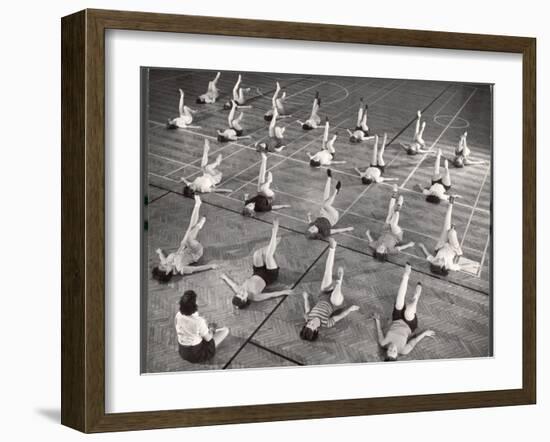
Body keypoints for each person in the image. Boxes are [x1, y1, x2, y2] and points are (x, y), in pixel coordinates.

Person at [220, 219, 294, 309]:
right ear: (245, 299)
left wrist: (224, 277)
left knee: (257, 253)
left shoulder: (239, 290)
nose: (241, 292)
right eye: (242, 295)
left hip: (257, 272)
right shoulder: (255, 297)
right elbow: (271, 295)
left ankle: (273, 244)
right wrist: (284, 292)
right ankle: (274, 233)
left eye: (239, 294)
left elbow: (232, 284)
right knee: (268, 256)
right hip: (269, 276)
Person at [300, 238, 360, 341]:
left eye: (308, 324)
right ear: (316, 330)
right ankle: (339, 282)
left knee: (327, 273)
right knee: (335, 299)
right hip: (334, 301)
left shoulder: (308, 317)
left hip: (323, 294)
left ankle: (332, 248)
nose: (311, 322)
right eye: (312, 325)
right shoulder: (326, 323)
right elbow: (340, 316)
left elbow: (307, 308)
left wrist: (305, 298)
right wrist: (350, 309)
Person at [373, 263, 435, 361]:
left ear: (386, 351)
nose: (392, 348)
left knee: (399, 303)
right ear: (397, 354)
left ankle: (406, 274)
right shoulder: (404, 350)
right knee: (409, 311)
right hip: (409, 325)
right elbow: (414, 341)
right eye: (394, 351)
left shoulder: (383, 343)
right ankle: (416, 297)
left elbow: (379, 331)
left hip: (396, 318)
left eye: (389, 350)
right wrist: (425, 333)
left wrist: (377, 320)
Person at [152, 195, 219, 282]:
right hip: (196, 252)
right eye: (164, 267)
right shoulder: (181, 269)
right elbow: (196, 269)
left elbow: (162, 258)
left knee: (189, 231)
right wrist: (211, 266)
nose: (163, 263)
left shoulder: (166, 262)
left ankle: (199, 220)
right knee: (188, 235)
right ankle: (198, 210)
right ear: (167, 272)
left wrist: (159, 252)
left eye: (161, 265)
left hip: (185, 246)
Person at [175, 290, 230, 363]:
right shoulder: (199, 321)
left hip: (183, 351)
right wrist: (211, 330)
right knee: (225, 330)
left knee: (205, 329)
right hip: (196, 354)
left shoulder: (178, 315)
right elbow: (208, 339)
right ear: (194, 304)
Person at [366, 185, 415, 261]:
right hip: (396, 235)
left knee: (390, 212)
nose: (380, 248)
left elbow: (371, 242)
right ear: (385, 252)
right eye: (381, 250)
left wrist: (368, 234)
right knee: (393, 224)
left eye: (378, 249)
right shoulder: (391, 251)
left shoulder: (375, 246)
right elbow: (400, 248)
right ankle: (398, 209)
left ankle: (395, 195)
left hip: (386, 230)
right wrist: (409, 245)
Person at [418, 195, 464, 275]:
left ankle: (451, 202)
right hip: (453, 248)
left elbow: (427, 255)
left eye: (435, 261)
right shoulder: (450, 266)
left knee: (446, 223)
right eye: (438, 262)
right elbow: (460, 267)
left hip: (442, 245)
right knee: (452, 233)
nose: (437, 260)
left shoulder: (434, 261)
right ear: (442, 266)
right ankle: (452, 231)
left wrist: (422, 247)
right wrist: (473, 265)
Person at [305, 169, 354, 240]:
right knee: (325, 205)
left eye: (310, 228)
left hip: (324, 214)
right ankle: (335, 191)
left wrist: (308, 216)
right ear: (316, 232)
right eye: (312, 230)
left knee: (325, 200)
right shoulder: (324, 232)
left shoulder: (312, 225)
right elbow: (336, 231)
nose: (312, 227)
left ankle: (329, 178)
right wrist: (347, 229)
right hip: (333, 217)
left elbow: (309, 223)